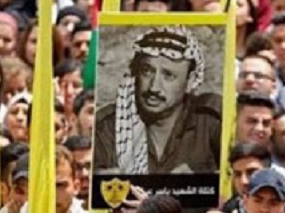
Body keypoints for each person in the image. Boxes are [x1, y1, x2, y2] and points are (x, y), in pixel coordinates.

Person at [94, 26, 221, 175]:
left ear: (190, 81)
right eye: (147, 71)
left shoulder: (210, 120)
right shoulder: (108, 126)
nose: (154, 87)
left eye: (168, 75)